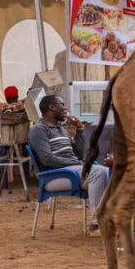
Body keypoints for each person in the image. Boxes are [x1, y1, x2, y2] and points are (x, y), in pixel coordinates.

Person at [28, 95, 111, 227]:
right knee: (98, 173)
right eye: (62, 104)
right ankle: (97, 223)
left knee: (110, 172)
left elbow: (77, 153)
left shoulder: (61, 129)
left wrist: (79, 131)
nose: (66, 108)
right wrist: (77, 163)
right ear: (52, 107)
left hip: (71, 170)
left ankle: (108, 219)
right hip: (54, 176)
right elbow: (47, 159)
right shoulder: (39, 131)